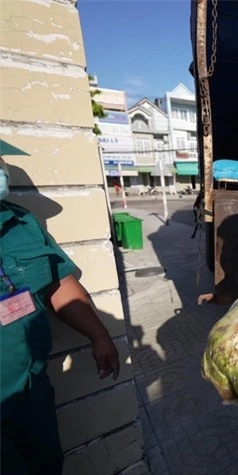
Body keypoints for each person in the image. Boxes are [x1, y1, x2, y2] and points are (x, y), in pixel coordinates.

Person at [0, 154, 121, 475]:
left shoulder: (20, 223)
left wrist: (99, 336)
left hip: (30, 391)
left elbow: (58, 282)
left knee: (47, 465)